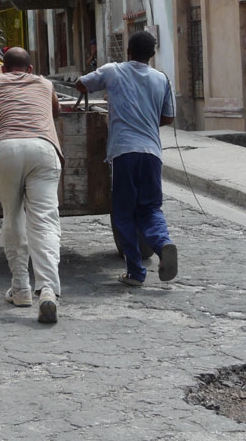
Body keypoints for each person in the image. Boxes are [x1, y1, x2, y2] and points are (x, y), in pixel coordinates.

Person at [75, 31, 177, 287]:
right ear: (152, 56)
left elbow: (80, 84)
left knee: (123, 212)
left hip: (124, 152)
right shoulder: (161, 79)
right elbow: (168, 118)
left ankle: (135, 272)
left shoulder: (112, 70)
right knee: (151, 208)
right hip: (152, 154)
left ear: (128, 52)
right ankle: (163, 243)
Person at [0, 47, 63, 324]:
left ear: (3, 69)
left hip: (6, 148)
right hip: (43, 148)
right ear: (30, 69)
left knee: (12, 215)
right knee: (45, 221)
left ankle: (21, 289)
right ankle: (48, 290)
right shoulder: (44, 83)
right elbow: (56, 112)